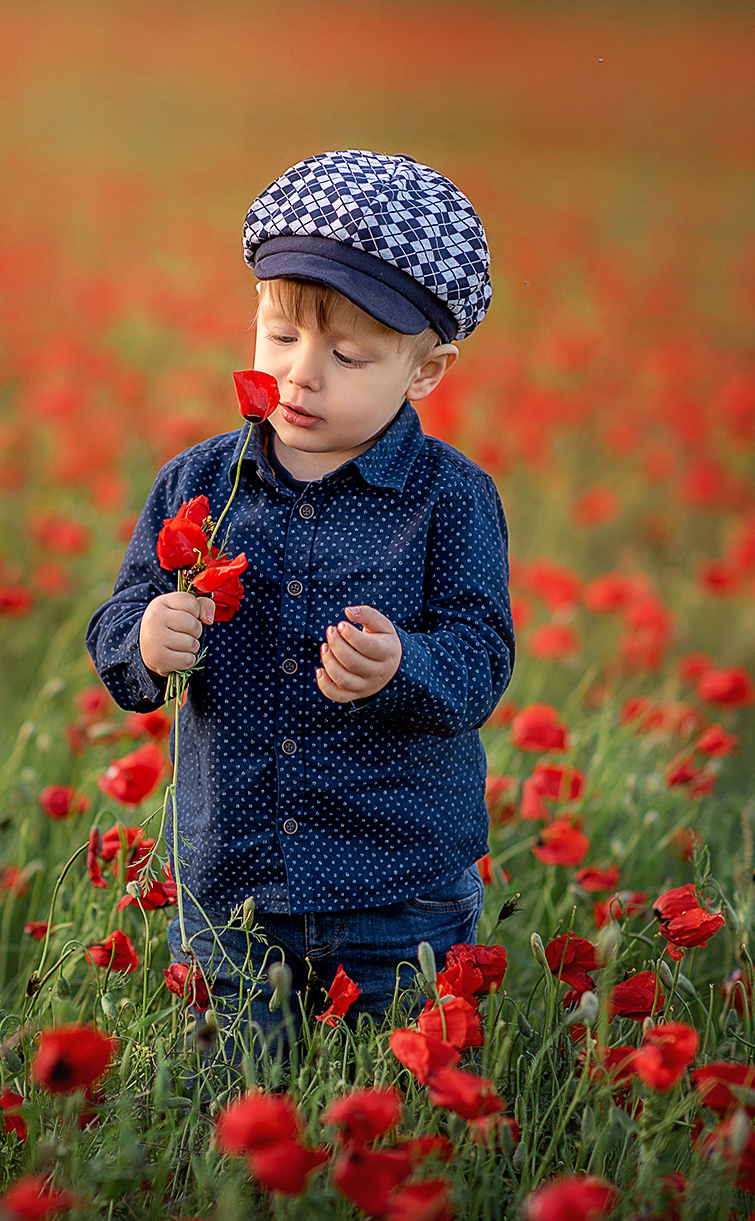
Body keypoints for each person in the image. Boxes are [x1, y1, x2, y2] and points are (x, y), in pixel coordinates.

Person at [84, 150, 516, 1062]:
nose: (303, 374)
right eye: (281, 337)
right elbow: (116, 627)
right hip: (231, 888)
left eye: (349, 355)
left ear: (428, 370)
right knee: (233, 1115)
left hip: (399, 895)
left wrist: (406, 663)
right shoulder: (199, 482)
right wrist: (148, 639)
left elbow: (481, 658)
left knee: (401, 1120)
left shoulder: (452, 498)